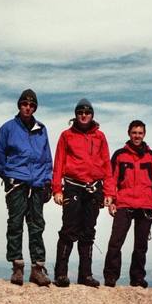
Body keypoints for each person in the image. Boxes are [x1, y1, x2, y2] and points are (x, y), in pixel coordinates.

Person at [0, 89, 53, 286]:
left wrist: (47, 182)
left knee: (36, 225)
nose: (28, 107)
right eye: (25, 104)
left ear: (35, 107)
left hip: (36, 184)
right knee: (15, 224)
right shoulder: (7, 128)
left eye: (32, 105)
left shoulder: (41, 129)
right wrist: (8, 177)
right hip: (17, 182)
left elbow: (46, 159)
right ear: (19, 105)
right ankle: (17, 267)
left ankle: (37, 268)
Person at [51, 98, 114, 287]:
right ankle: (61, 274)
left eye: (87, 112)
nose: (84, 115)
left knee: (88, 232)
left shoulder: (100, 136)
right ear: (75, 115)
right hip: (72, 186)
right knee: (69, 230)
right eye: (80, 112)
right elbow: (59, 163)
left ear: (92, 115)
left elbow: (107, 165)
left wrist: (109, 192)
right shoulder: (66, 135)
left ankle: (85, 275)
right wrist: (57, 190)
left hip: (94, 188)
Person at [102, 120, 152, 288]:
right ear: (129, 133)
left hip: (146, 205)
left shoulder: (151, 156)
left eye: (140, 133)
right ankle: (110, 277)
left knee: (141, 244)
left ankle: (137, 278)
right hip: (123, 203)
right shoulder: (120, 155)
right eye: (134, 132)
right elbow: (110, 179)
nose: (137, 136)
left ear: (144, 134)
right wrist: (111, 200)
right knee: (115, 242)